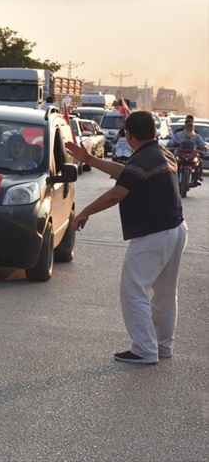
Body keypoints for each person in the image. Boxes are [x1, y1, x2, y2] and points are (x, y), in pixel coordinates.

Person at [65, 110, 187, 364]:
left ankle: (144, 349)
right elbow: (127, 172)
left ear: (128, 135)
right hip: (174, 229)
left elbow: (116, 194)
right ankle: (162, 347)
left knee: (133, 289)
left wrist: (84, 212)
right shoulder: (161, 153)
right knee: (165, 293)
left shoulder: (144, 159)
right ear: (153, 131)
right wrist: (89, 159)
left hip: (154, 234)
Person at [168, 115, 207, 184]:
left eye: (191, 126)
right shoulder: (178, 134)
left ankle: (198, 176)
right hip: (180, 152)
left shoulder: (196, 136)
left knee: (200, 161)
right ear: (185, 126)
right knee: (171, 159)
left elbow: (202, 143)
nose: (190, 128)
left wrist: (204, 147)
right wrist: (170, 143)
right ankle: (170, 174)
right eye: (188, 126)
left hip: (192, 153)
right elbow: (172, 140)